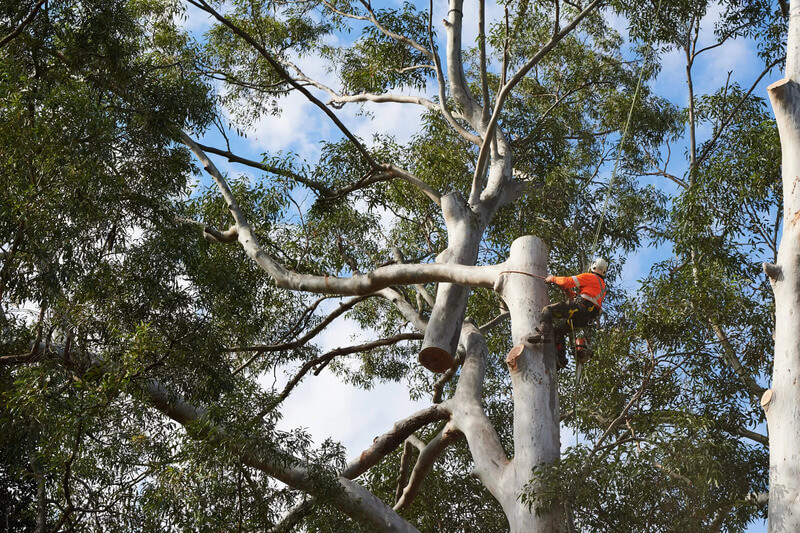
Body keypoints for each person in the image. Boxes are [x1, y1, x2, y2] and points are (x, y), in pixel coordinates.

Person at [528, 258, 608, 368]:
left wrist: (552, 278)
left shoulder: (589, 277)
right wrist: (566, 290)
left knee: (548, 310)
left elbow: (567, 281)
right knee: (558, 331)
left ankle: (542, 333)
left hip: (579, 309)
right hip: (584, 318)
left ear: (592, 267)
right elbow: (584, 298)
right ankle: (561, 359)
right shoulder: (603, 287)